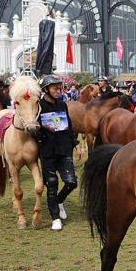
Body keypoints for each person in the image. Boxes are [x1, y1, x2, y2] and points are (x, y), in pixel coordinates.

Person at [37, 75, 83, 231]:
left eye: (60, 88)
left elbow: (69, 128)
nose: (59, 91)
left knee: (71, 182)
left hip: (64, 149)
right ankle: (55, 218)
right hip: (47, 152)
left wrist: (76, 144)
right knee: (52, 185)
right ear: (46, 90)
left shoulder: (63, 105)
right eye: (55, 88)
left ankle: (59, 201)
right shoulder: (38, 107)